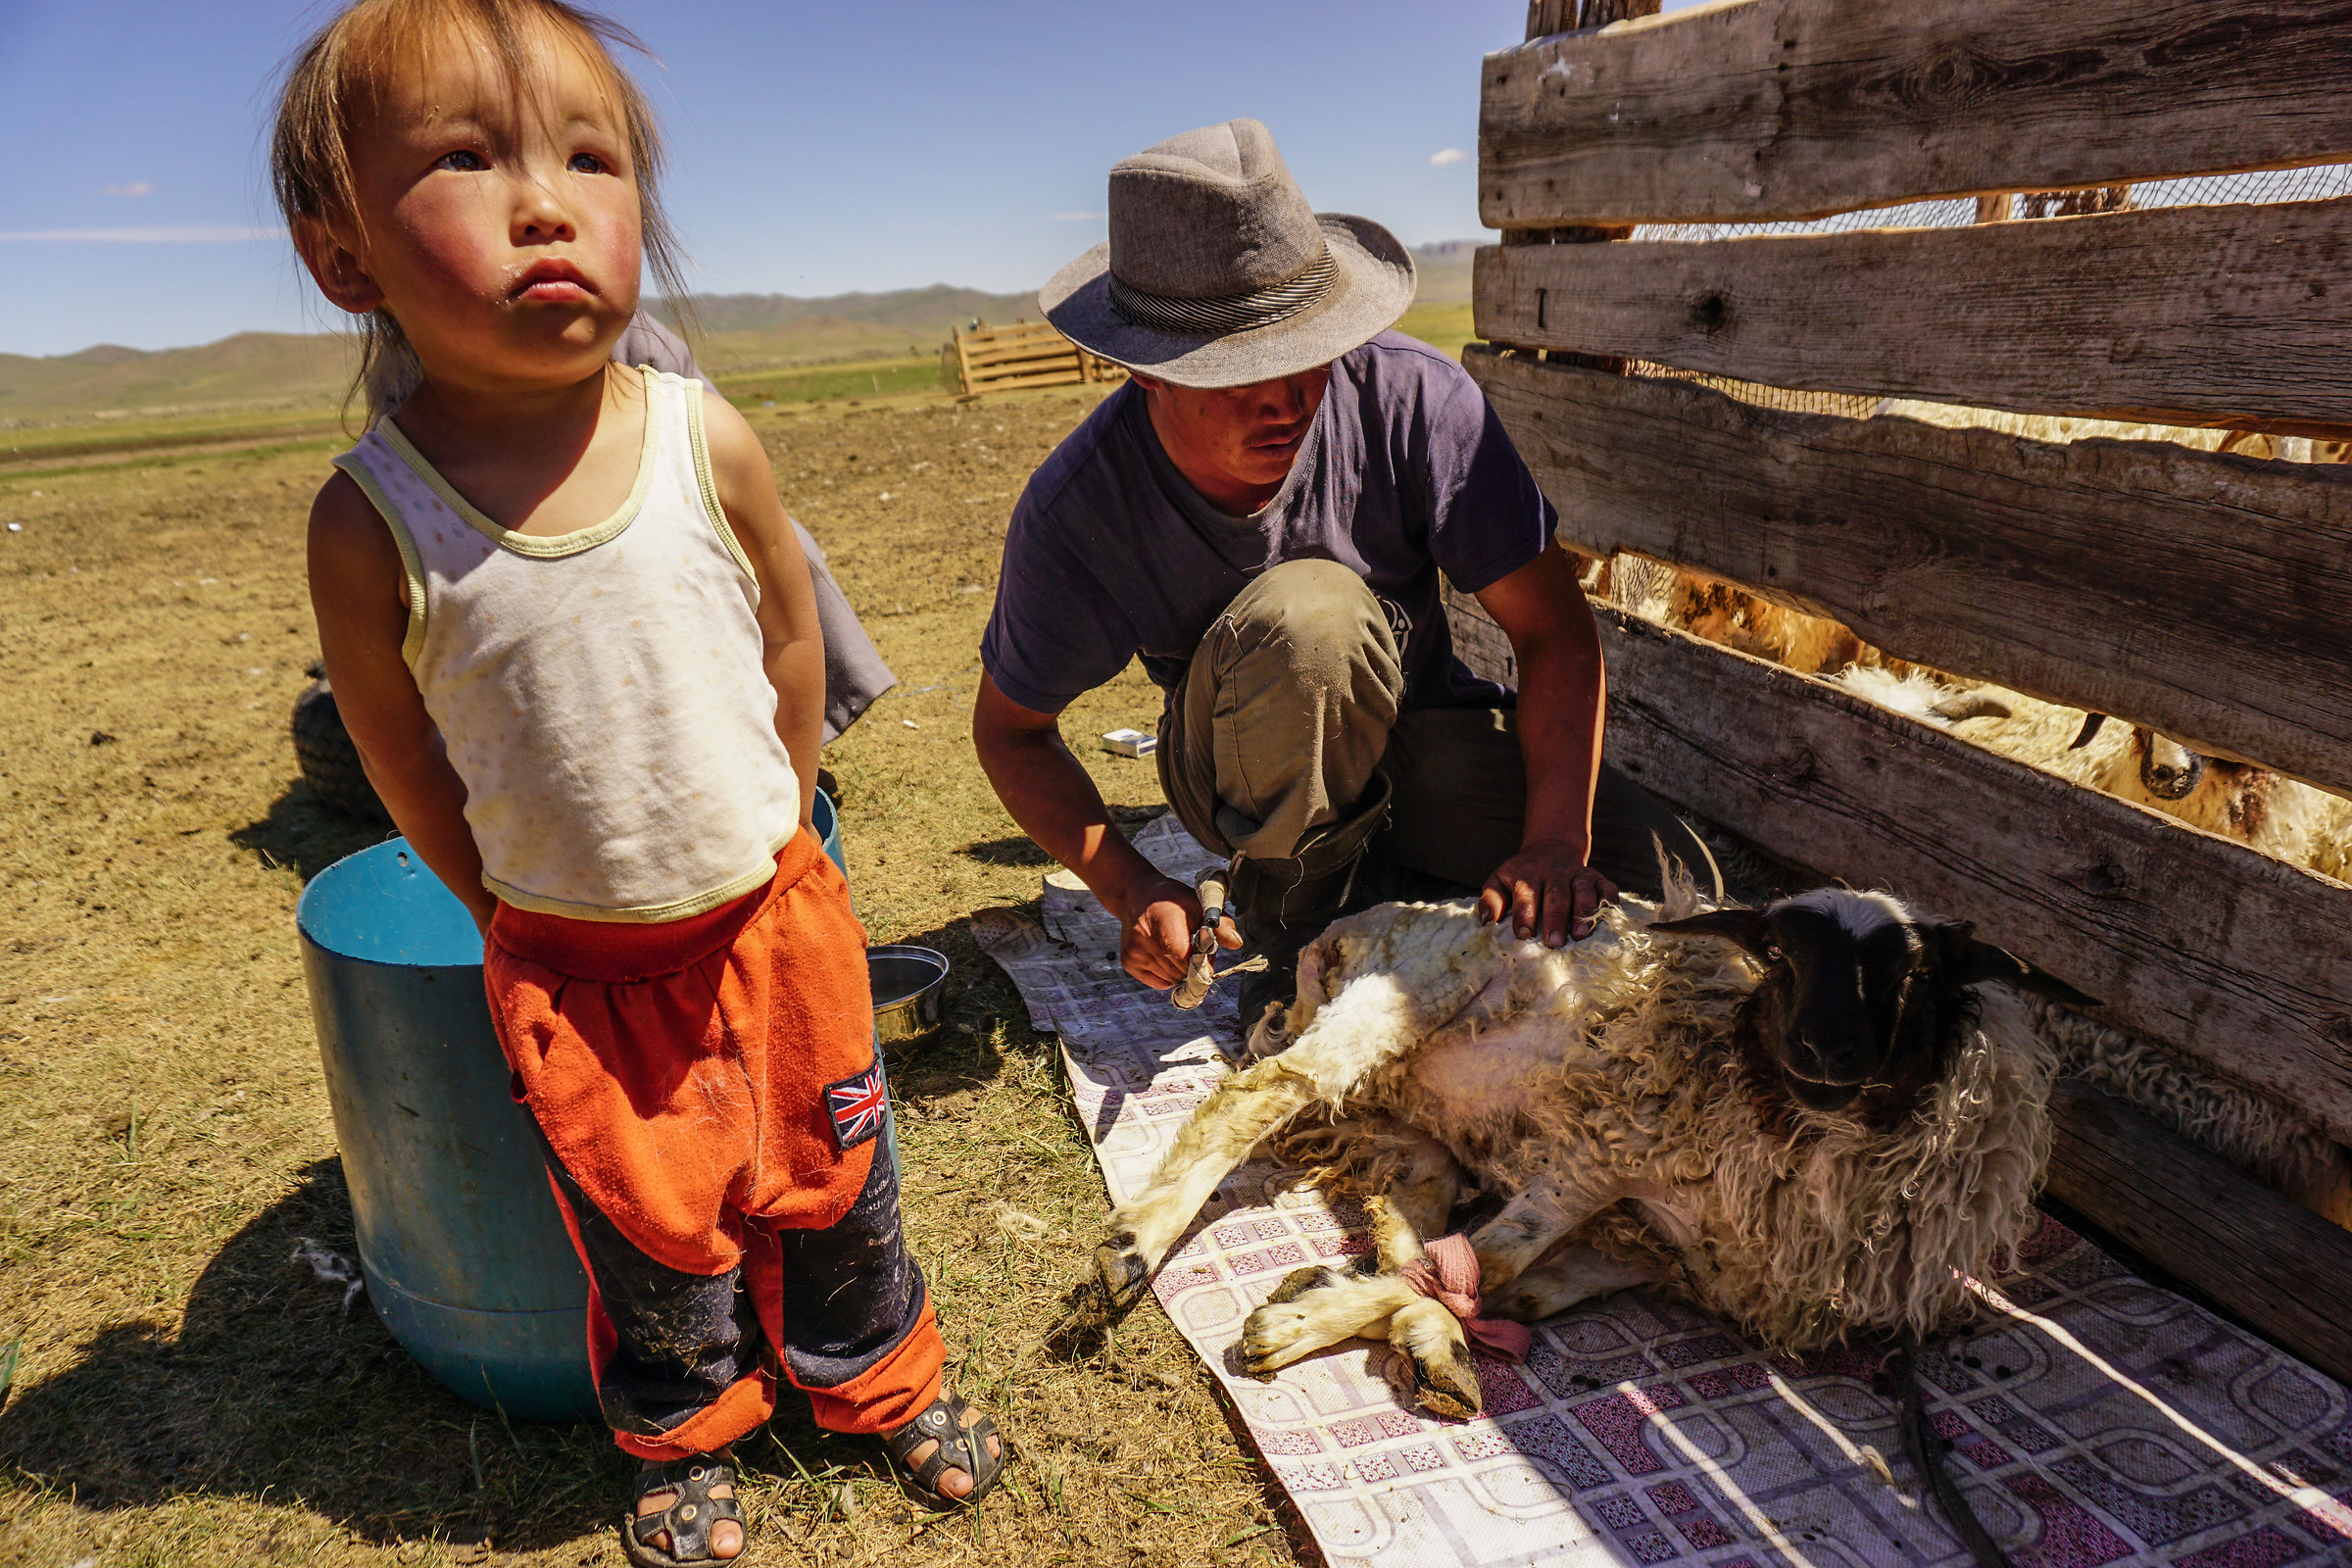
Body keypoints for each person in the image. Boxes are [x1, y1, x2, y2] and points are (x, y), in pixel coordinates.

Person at [272, 3, 1000, 1561]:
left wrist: (786, 828)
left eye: (591, 159)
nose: (549, 199)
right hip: (574, 962)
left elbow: (788, 635)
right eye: (470, 159)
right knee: (649, 1228)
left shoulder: (702, 437)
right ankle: (685, 1434)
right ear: (344, 260)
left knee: (840, 1176)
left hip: (775, 921)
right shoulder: (373, 521)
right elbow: (398, 757)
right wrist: (506, 911)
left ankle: (878, 1382)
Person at [973, 120, 1717, 1034]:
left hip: (1420, 736)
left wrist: (1556, 842)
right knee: (1313, 616)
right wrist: (1131, 885)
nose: (1285, 400)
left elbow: (1552, 630)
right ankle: (1293, 926)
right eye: (1236, 374)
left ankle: (1390, 874)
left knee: (1682, 888)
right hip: (1245, 774)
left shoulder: (1414, 398)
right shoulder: (1082, 509)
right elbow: (1013, 733)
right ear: (1145, 375)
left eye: (1304, 353)